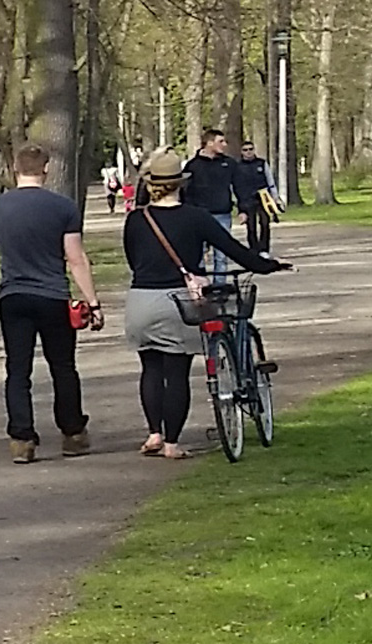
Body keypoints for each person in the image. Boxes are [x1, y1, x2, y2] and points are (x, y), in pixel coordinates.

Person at [124, 151, 289, 459]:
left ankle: (154, 434)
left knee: (150, 368)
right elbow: (233, 250)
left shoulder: (136, 219)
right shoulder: (195, 216)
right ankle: (172, 444)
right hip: (177, 300)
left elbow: (133, 259)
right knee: (176, 371)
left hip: (140, 300)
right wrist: (267, 265)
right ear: (180, 184)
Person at [0, 143, 104, 464]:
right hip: (53, 296)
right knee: (63, 366)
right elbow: (75, 258)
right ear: (45, 169)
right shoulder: (63, 207)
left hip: (14, 296)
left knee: (18, 369)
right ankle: (72, 432)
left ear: (15, 169)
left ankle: (22, 437)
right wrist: (92, 301)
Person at [182, 129, 248, 280]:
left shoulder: (229, 164)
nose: (224, 145)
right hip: (199, 215)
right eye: (221, 142)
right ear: (209, 143)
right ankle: (202, 285)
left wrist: (243, 209)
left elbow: (239, 187)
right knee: (198, 254)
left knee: (222, 255)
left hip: (222, 214)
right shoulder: (193, 166)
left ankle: (220, 287)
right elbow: (185, 192)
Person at [235, 141, 283, 257]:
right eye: (245, 150)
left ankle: (264, 249)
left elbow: (270, 180)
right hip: (247, 199)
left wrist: (275, 197)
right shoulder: (238, 166)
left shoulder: (261, 163)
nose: (248, 152)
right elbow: (235, 185)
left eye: (250, 149)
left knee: (265, 223)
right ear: (242, 152)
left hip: (263, 197)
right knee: (251, 226)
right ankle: (253, 249)